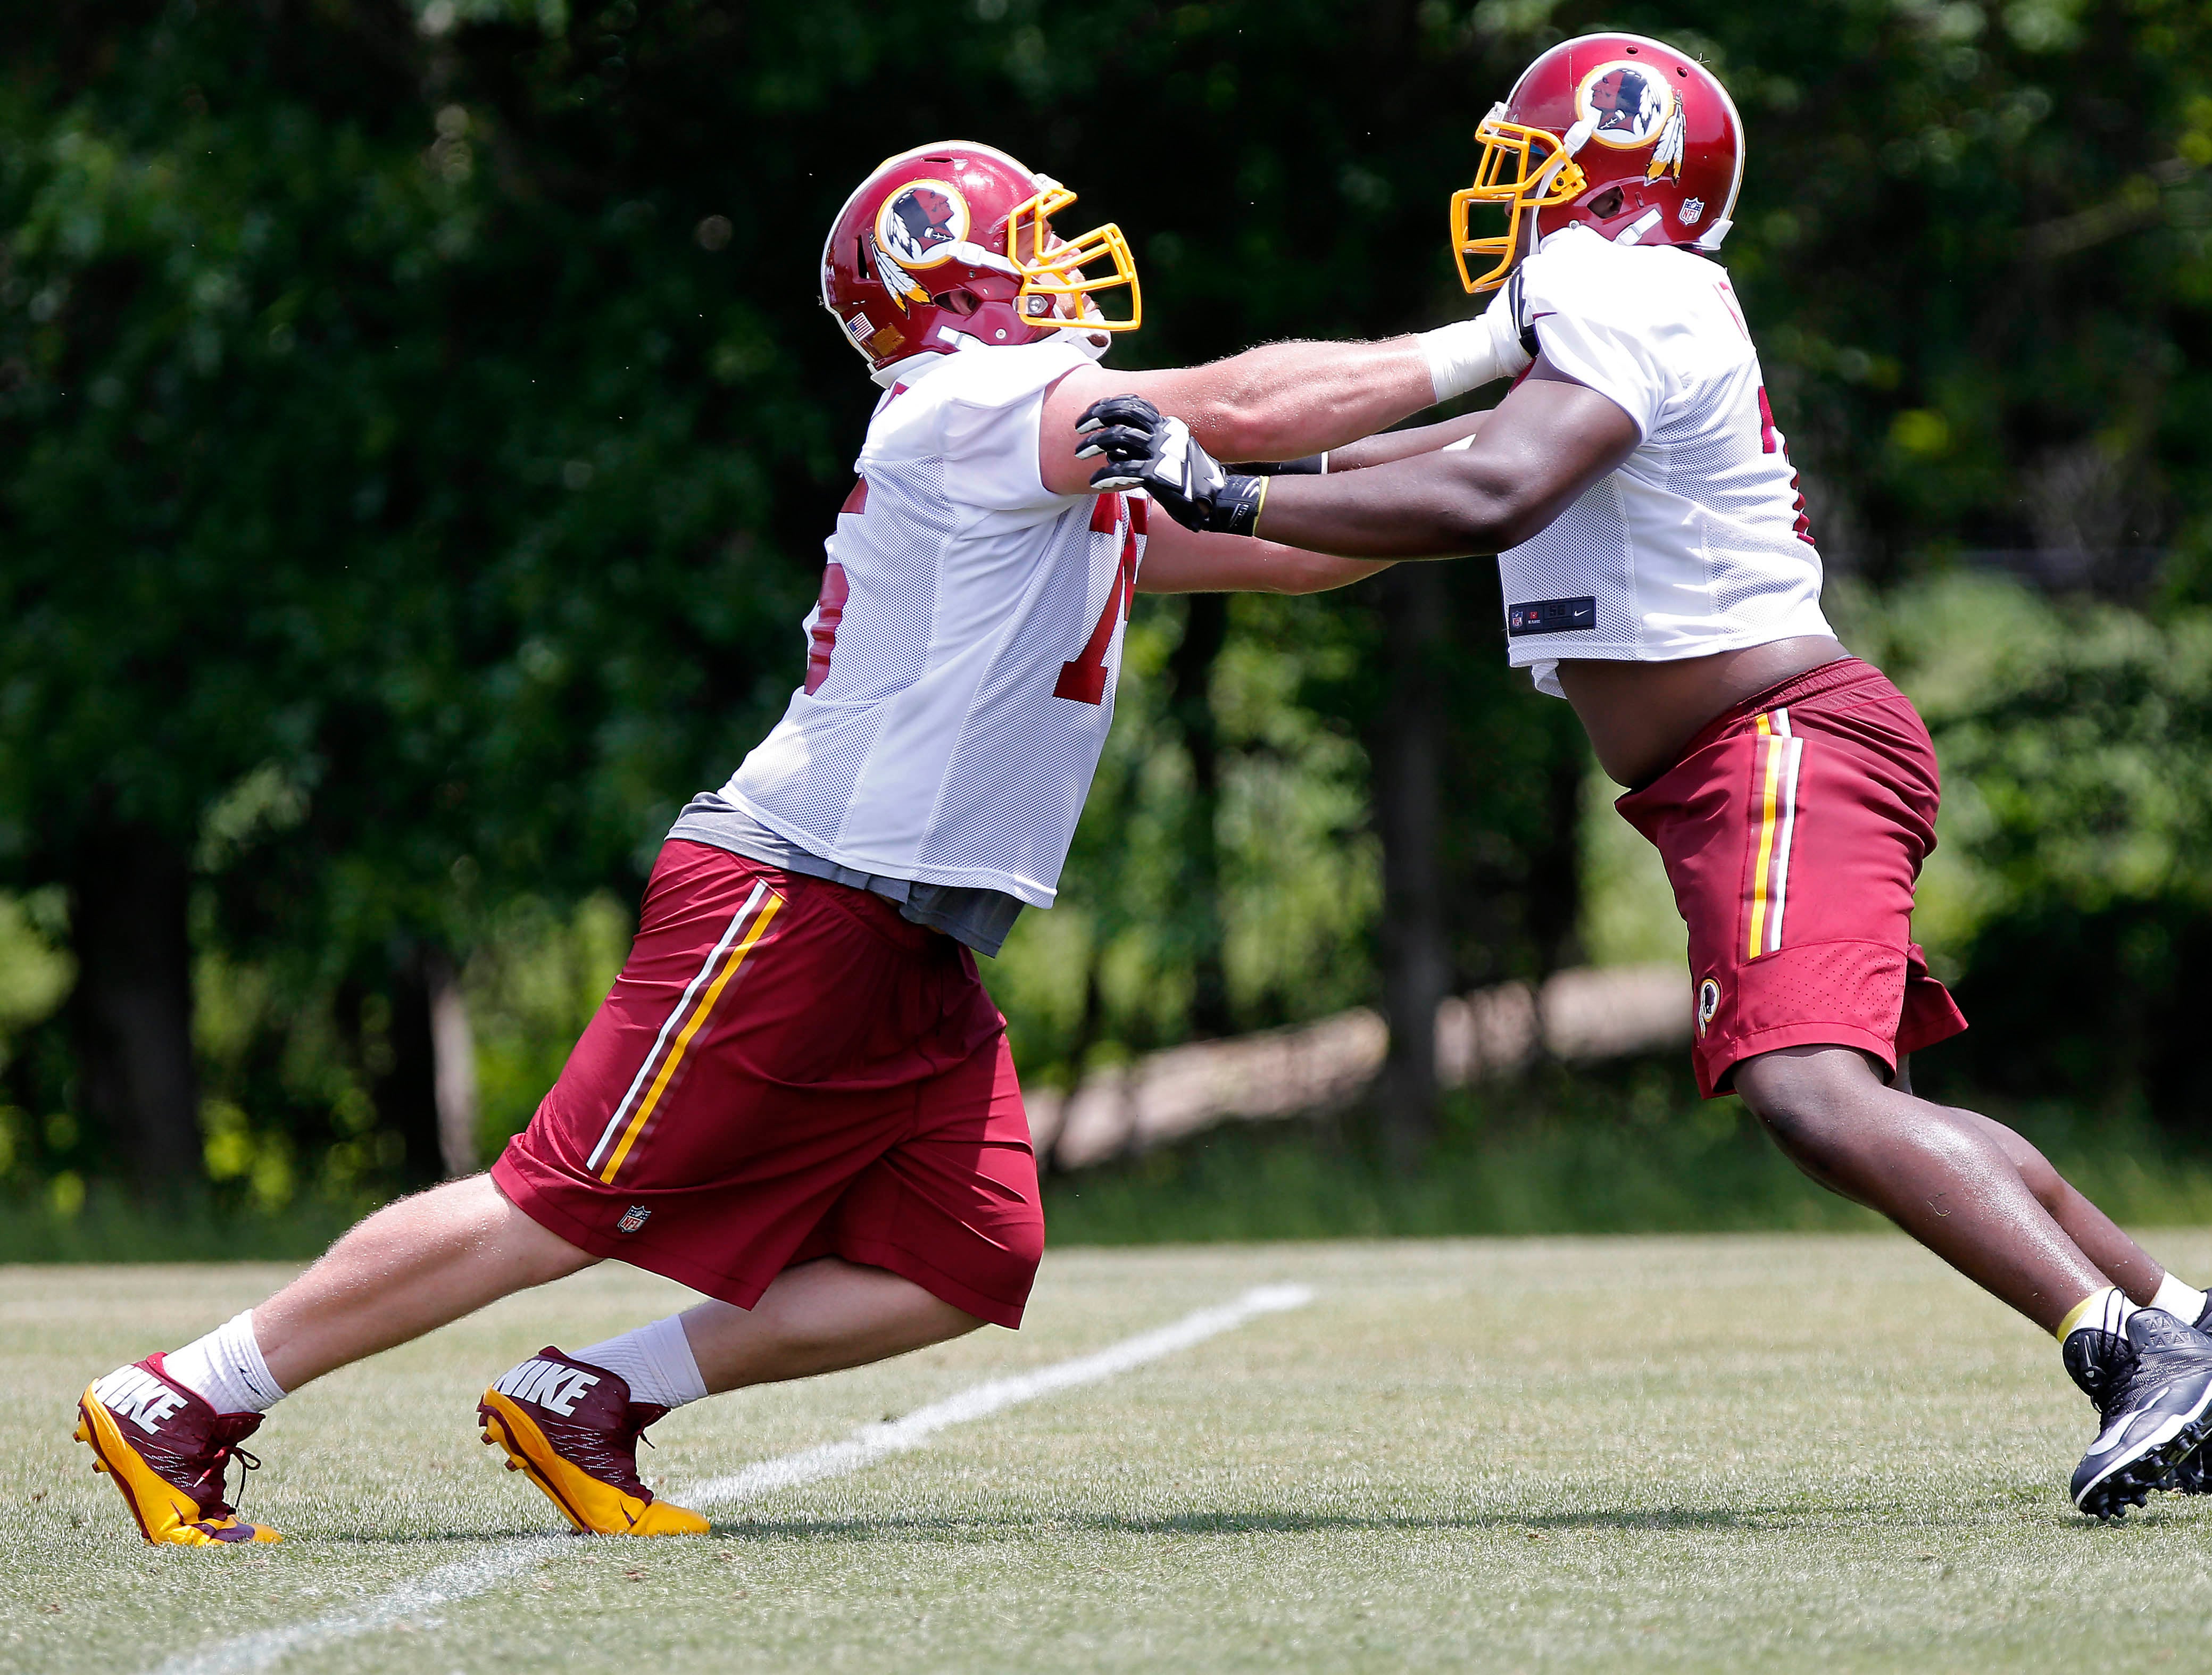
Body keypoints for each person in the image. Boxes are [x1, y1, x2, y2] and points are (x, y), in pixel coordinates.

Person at [71, 138, 1544, 1545]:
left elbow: (1303, 538)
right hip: (796, 891)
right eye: (1028, 250)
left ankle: (591, 1394)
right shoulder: (967, 408)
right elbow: (1245, 404)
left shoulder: (1032, 454)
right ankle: (185, 1395)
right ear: (950, 286)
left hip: (903, 928)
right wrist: (1499, 335)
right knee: (561, 1198)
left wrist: (1542, 429)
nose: (1060, 276)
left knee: (963, 1258)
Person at [1077, 32, 2212, 1517]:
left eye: (1526, 162)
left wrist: (1224, 480)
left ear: (1610, 177)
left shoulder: (1625, 285)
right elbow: (1361, 496)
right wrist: (1124, 546)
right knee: (1873, 1112)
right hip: (1746, 761)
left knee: (1809, 1095)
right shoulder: (1594, 331)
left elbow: (1482, 492)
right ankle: (2193, 1320)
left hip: (1776, 745)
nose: (1504, 193)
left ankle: (2130, 1357)